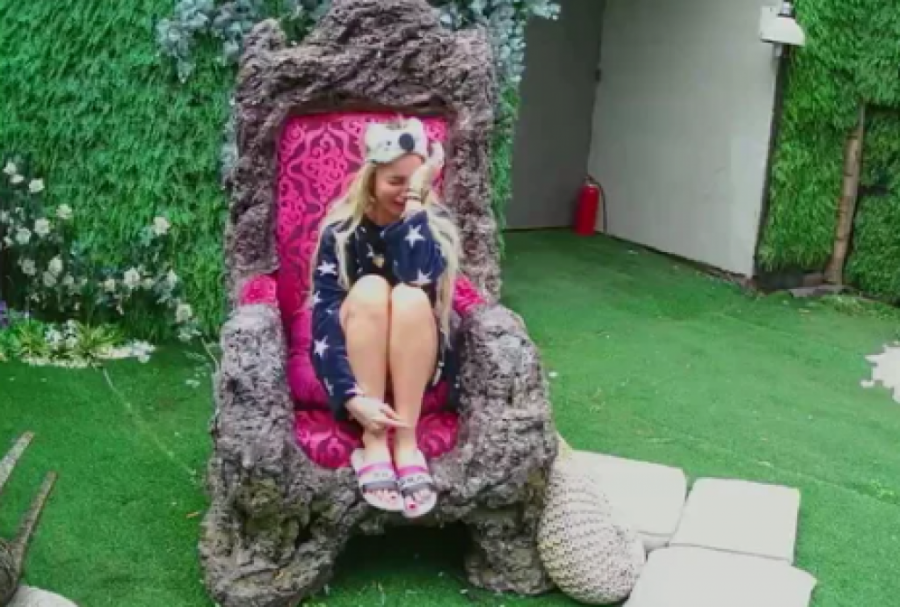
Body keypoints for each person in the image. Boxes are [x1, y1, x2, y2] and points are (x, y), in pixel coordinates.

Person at [309, 117, 461, 518]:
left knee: (409, 295)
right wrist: (350, 396)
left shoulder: (430, 226)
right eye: (396, 181)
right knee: (371, 287)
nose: (406, 190)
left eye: (416, 182)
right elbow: (324, 318)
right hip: (358, 358)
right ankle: (374, 442)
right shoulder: (341, 232)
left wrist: (414, 206)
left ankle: (406, 444)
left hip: (415, 360)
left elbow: (416, 274)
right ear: (371, 178)